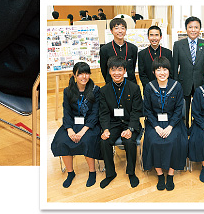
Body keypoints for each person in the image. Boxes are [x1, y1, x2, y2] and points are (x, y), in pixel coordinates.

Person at [51, 62, 101, 188]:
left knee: (87, 140)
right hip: (72, 124)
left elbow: (95, 113)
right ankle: (70, 173)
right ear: (74, 75)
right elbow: (66, 112)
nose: (84, 76)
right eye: (81, 74)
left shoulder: (95, 90)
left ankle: (92, 172)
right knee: (62, 141)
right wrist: (69, 130)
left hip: (89, 125)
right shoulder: (68, 91)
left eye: (87, 73)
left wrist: (83, 131)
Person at [141, 57, 188, 191]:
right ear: (154, 72)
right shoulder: (149, 87)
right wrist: (156, 126)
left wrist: (170, 126)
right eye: (158, 69)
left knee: (173, 140)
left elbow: (179, 109)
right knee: (154, 140)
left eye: (165, 69)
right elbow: (148, 110)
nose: (162, 73)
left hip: (173, 122)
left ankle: (171, 174)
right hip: (154, 122)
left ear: (169, 71)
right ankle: (160, 174)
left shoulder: (176, 86)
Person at [98, 57, 143, 189]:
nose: (116, 73)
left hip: (130, 122)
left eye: (119, 69)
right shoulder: (104, 90)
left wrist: (130, 129)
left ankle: (131, 173)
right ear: (109, 72)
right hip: (113, 123)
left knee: (129, 142)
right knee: (104, 141)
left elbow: (136, 111)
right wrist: (105, 129)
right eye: (113, 70)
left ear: (124, 71)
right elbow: (104, 113)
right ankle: (110, 173)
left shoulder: (134, 88)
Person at [173, 16, 204, 128]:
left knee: (200, 109)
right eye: (190, 27)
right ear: (186, 29)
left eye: (196, 27)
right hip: (183, 82)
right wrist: (175, 84)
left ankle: (197, 129)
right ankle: (184, 129)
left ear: (200, 29)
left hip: (201, 83)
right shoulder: (178, 45)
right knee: (184, 109)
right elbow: (175, 67)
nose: (193, 30)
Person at [98, 18, 138, 87]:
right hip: (111, 84)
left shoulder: (133, 48)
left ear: (125, 30)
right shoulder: (105, 49)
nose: (120, 31)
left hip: (130, 83)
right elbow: (104, 70)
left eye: (122, 28)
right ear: (111, 31)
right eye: (116, 28)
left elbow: (132, 67)